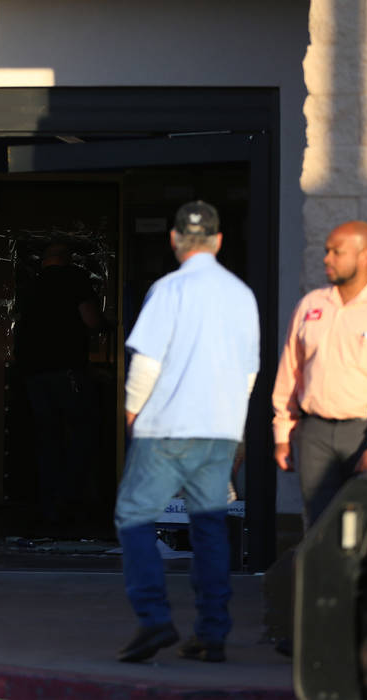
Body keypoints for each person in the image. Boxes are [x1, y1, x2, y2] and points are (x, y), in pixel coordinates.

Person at [114, 201, 259, 663]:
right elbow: (249, 373)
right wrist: (238, 433)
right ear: (218, 242)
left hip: (167, 428)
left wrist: (133, 415)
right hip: (219, 429)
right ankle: (211, 632)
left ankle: (155, 618)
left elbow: (147, 364)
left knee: (134, 515)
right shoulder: (242, 295)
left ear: (175, 240)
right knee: (210, 528)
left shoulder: (168, 289)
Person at [272, 220, 367, 528]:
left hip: (364, 434)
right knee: (318, 526)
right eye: (327, 251)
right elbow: (291, 370)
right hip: (314, 433)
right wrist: (282, 433)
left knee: (363, 527)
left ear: (364, 256)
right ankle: (321, 579)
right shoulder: (310, 306)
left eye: (336, 252)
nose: (326, 258)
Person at [17, 241, 103, 526]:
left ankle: (48, 503)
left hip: (33, 371)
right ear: (66, 259)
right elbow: (91, 320)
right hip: (66, 369)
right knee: (79, 432)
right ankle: (74, 501)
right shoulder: (75, 279)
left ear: (44, 260)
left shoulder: (30, 284)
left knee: (46, 437)